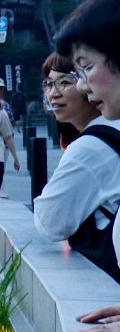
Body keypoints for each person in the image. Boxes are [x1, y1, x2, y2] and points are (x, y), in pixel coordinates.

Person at [34, 49, 120, 280]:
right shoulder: (110, 130)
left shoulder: (89, 147)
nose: (54, 93)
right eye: (49, 84)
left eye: (65, 82)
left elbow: (49, 223)